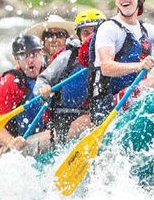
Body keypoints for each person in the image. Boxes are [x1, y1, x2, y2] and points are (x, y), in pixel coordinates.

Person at [34, 8, 105, 144]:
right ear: (79, 37)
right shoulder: (69, 57)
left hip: (97, 113)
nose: (92, 37)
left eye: (96, 32)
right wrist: (43, 90)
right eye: (86, 33)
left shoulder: (111, 55)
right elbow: (42, 80)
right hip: (66, 119)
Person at [0, 33, 52, 156]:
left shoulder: (49, 72)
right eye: (23, 55)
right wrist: (11, 142)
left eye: (34, 54)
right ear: (16, 58)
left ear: (41, 53)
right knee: (57, 134)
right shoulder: (10, 82)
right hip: (9, 151)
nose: (30, 60)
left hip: (36, 139)